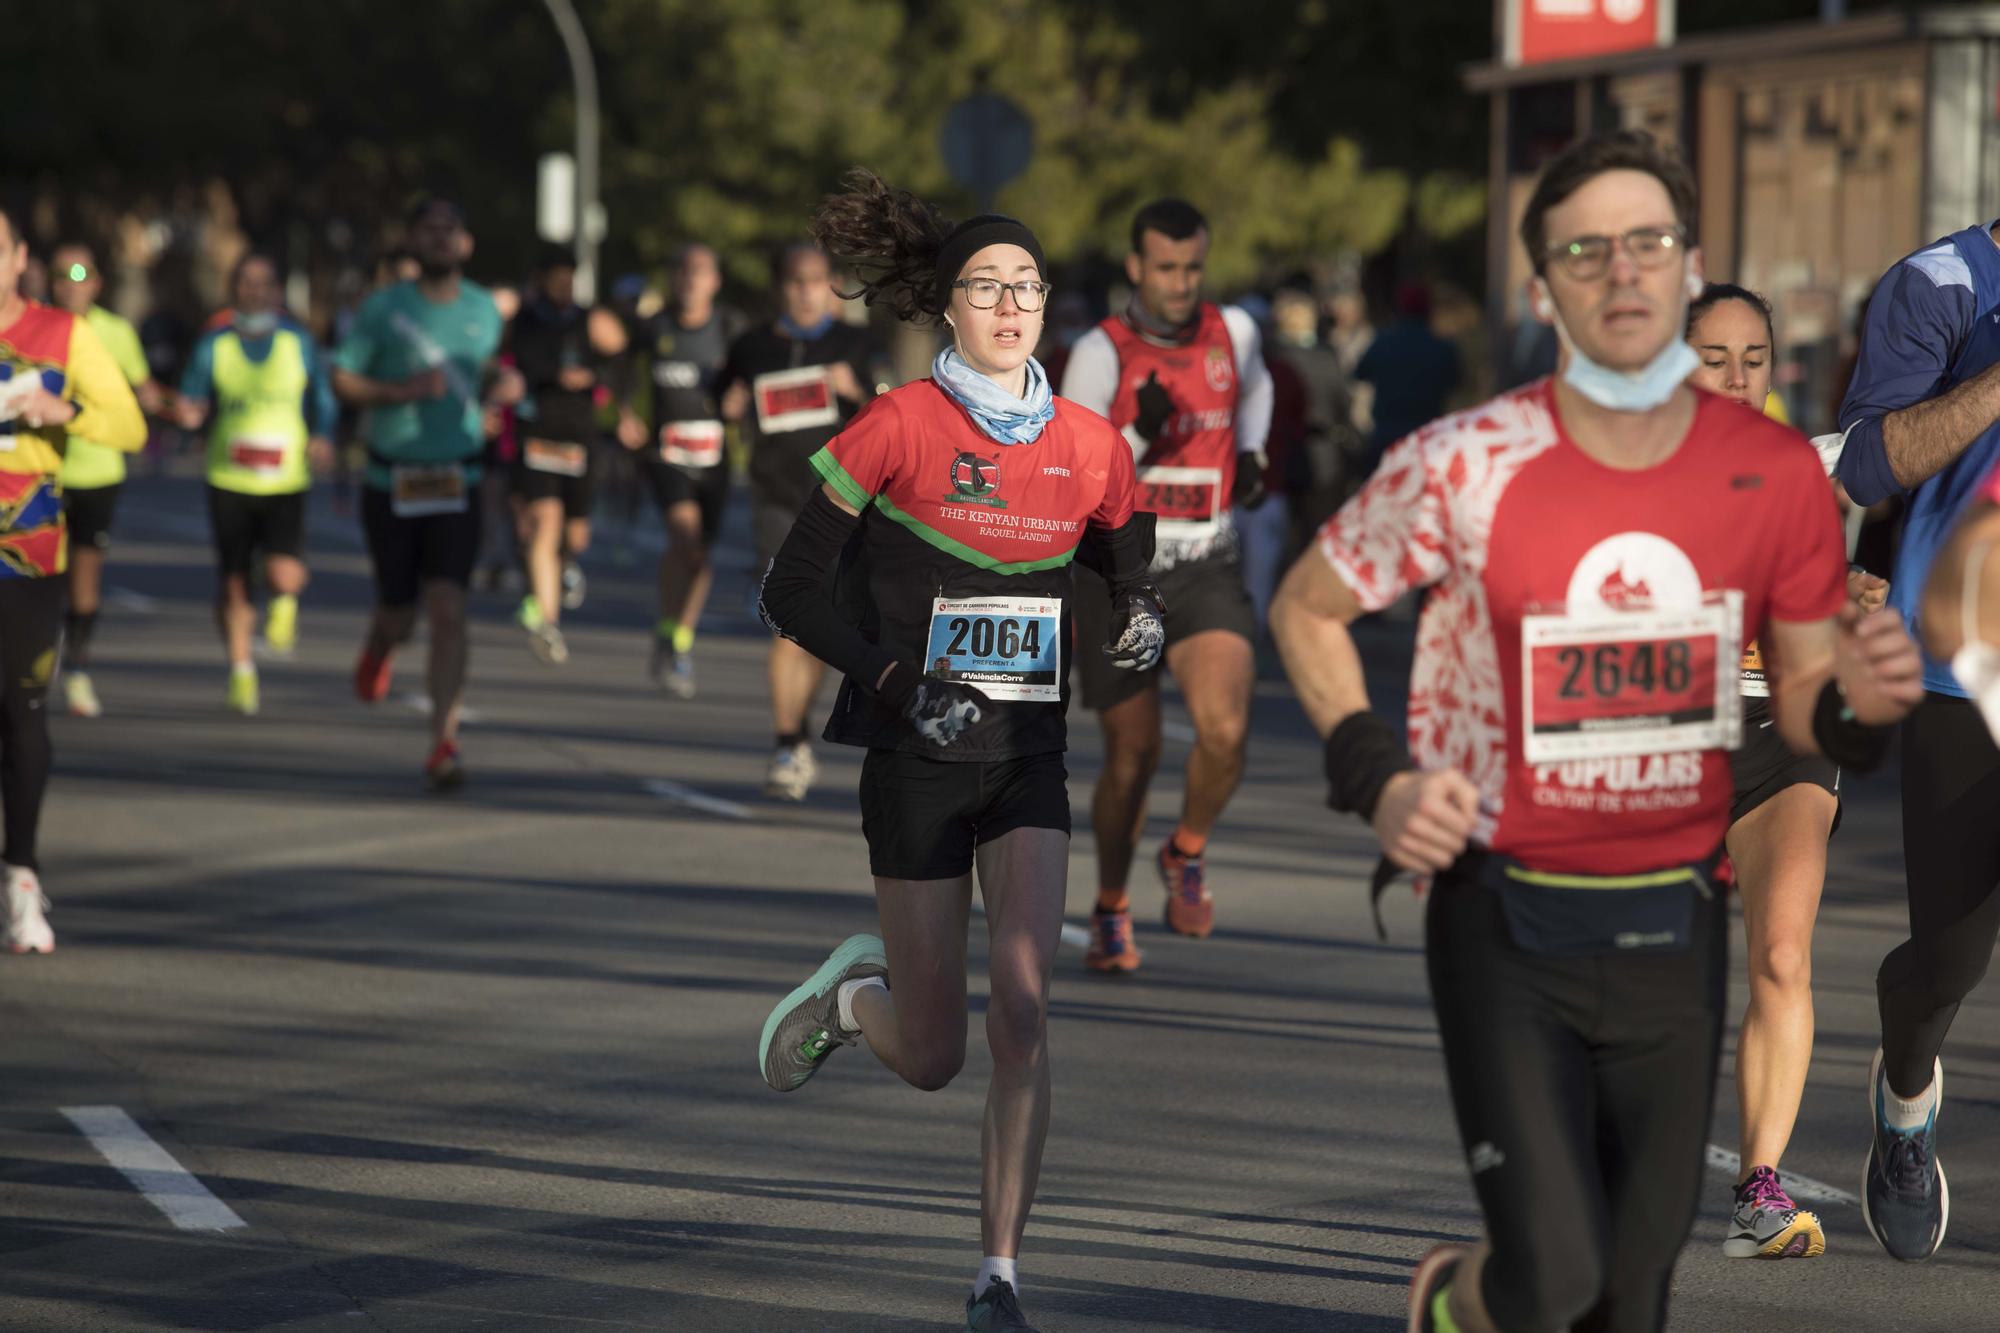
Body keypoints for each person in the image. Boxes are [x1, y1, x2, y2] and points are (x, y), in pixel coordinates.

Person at [1269, 131, 1922, 1332]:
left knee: (1630, 1292)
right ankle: (1457, 1296)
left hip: (1671, 915)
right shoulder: (1465, 459)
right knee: (1554, 1275)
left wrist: (1858, 711)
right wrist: (1374, 776)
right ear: (1543, 285)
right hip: (1501, 909)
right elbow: (1307, 604)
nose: (1622, 274)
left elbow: (1800, 699)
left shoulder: (1767, 478)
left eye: (1649, 244)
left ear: (1686, 268)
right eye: (1586, 250)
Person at [756, 169, 1160, 1333]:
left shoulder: (1090, 443)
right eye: (986, 288)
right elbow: (788, 591)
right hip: (914, 755)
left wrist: (1139, 611)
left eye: (1027, 287)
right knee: (933, 1055)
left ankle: (997, 1276)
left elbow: (1120, 561)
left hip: (1025, 755)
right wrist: (893, 679)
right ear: (948, 306)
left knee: (1024, 1015)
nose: (1011, 306)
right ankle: (851, 1003)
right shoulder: (895, 425)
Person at [1685, 281, 1892, 1259]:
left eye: (1753, 360)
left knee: (1779, 953)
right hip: (1667, 738)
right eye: (1712, 358)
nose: (1735, 379)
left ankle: (1757, 1190)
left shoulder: (1807, 466)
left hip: (1783, 734)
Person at [1834, 208, 2000, 1262]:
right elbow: (1863, 467)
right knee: (1948, 954)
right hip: (1961, 664)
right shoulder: (1937, 285)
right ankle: (1904, 1097)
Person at [1057, 198, 1273, 970]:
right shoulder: (1099, 353)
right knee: (1133, 753)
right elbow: (1073, 474)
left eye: (1193, 267)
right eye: (1166, 268)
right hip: (1123, 569)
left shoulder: (1235, 332)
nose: (1181, 284)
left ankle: (1185, 850)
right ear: (1136, 268)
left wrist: (1251, 452)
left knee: (1224, 728)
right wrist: (1139, 432)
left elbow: (1256, 389)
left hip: (1208, 560)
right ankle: (1112, 900)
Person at [0, 205, 146, 954]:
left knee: (21, 713)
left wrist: (66, 408)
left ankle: (20, 874)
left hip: (26, 548)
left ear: (20, 256)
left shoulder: (63, 335)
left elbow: (130, 425)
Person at [333, 197, 514, 790]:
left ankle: (443, 741)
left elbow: (488, 372)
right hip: (393, 480)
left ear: (465, 243)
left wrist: (501, 386)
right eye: (429, 229)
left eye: (450, 229)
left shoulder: (484, 309)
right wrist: (399, 391)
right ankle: (380, 643)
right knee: (400, 614)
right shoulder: (384, 309)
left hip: (457, 479)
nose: (440, 239)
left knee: (449, 610)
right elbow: (343, 378)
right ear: (411, 240)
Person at [719, 241, 874, 800]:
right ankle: (788, 742)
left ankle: (798, 736)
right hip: (777, 496)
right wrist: (729, 406)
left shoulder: (853, 343)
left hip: (843, 501)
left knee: (821, 630)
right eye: (796, 281)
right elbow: (721, 403)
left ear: (829, 284)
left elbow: (891, 410)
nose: (807, 291)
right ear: (780, 287)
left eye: (816, 281)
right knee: (790, 618)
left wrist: (855, 390)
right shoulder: (753, 345)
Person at [174, 253, 337, 714]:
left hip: (286, 477)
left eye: (264, 283)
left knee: (285, 572)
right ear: (234, 289)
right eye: (245, 282)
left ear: (277, 291)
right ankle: (242, 669)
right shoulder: (215, 344)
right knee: (234, 583)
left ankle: (284, 602)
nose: (255, 290)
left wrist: (323, 435)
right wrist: (190, 414)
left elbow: (322, 396)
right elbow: (193, 394)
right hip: (228, 476)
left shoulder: (297, 341)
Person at [619, 242, 746, 697]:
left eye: (701, 272)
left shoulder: (731, 328)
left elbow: (752, 378)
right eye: (684, 271)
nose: (691, 280)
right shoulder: (653, 328)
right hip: (665, 450)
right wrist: (623, 412)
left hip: (715, 453)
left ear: (715, 281)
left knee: (700, 556)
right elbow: (623, 374)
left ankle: (677, 635)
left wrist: (741, 400)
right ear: (674, 279)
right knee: (683, 533)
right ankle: (670, 633)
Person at [49, 242, 160, 718]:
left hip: (98, 472)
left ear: (97, 282)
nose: (71, 284)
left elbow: (142, 392)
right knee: (35, 575)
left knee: (84, 575)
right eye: (61, 275)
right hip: (42, 472)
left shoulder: (115, 332)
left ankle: (76, 668)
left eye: (81, 274)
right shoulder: (34, 328)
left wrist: (171, 404)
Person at [505, 243, 623, 664]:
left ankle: (561, 568)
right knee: (545, 523)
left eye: (568, 275)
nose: (562, 283)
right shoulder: (525, 320)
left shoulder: (588, 319)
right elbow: (515, 362)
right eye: (554, 275)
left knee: (574, 535)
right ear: (540, 279)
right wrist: (554, 375)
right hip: (539, 433)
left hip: (580, 436)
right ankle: (547, 620)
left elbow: (619, 345)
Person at [1355, 281, 1461, 471]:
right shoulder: (1441, 348)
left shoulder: (1383, 342)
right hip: (1428, 436)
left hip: (1386, 434)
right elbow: (1455, 382)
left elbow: (1359, 373)